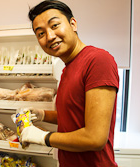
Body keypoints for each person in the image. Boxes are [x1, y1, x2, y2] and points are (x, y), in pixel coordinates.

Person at [19, 1, 119, 167]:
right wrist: (41, 114)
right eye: (41, 34)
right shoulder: (67, 69)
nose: (50, 36)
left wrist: (44, 137)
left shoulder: (98, 60)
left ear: (73, 24)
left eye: (55, 25)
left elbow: (95, 138)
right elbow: (73, 117)